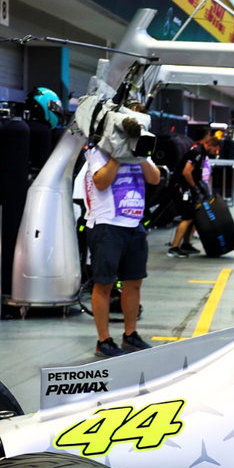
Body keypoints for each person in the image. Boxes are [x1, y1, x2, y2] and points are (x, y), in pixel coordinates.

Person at [84, 135, 163, 356]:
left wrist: (140, 154)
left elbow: (155, 178)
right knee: (104, 284)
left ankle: (130, 335)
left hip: (134, 224)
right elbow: (100, 181)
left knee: (134, 282)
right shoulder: (98, 150)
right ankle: (104, 340)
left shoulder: (140, 150)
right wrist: (118, 154)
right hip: (107, 224)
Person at [168, 128, 221, 257]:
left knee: (192, 215)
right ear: (209, 145)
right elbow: (186, 172)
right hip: (180, 187)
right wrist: (194, 187)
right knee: (187, 216)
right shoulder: (197, 152)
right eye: (215, 149)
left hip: (186, 187)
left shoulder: (202, 152)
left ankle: (186, 244)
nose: (215, 152)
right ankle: (174, 248)